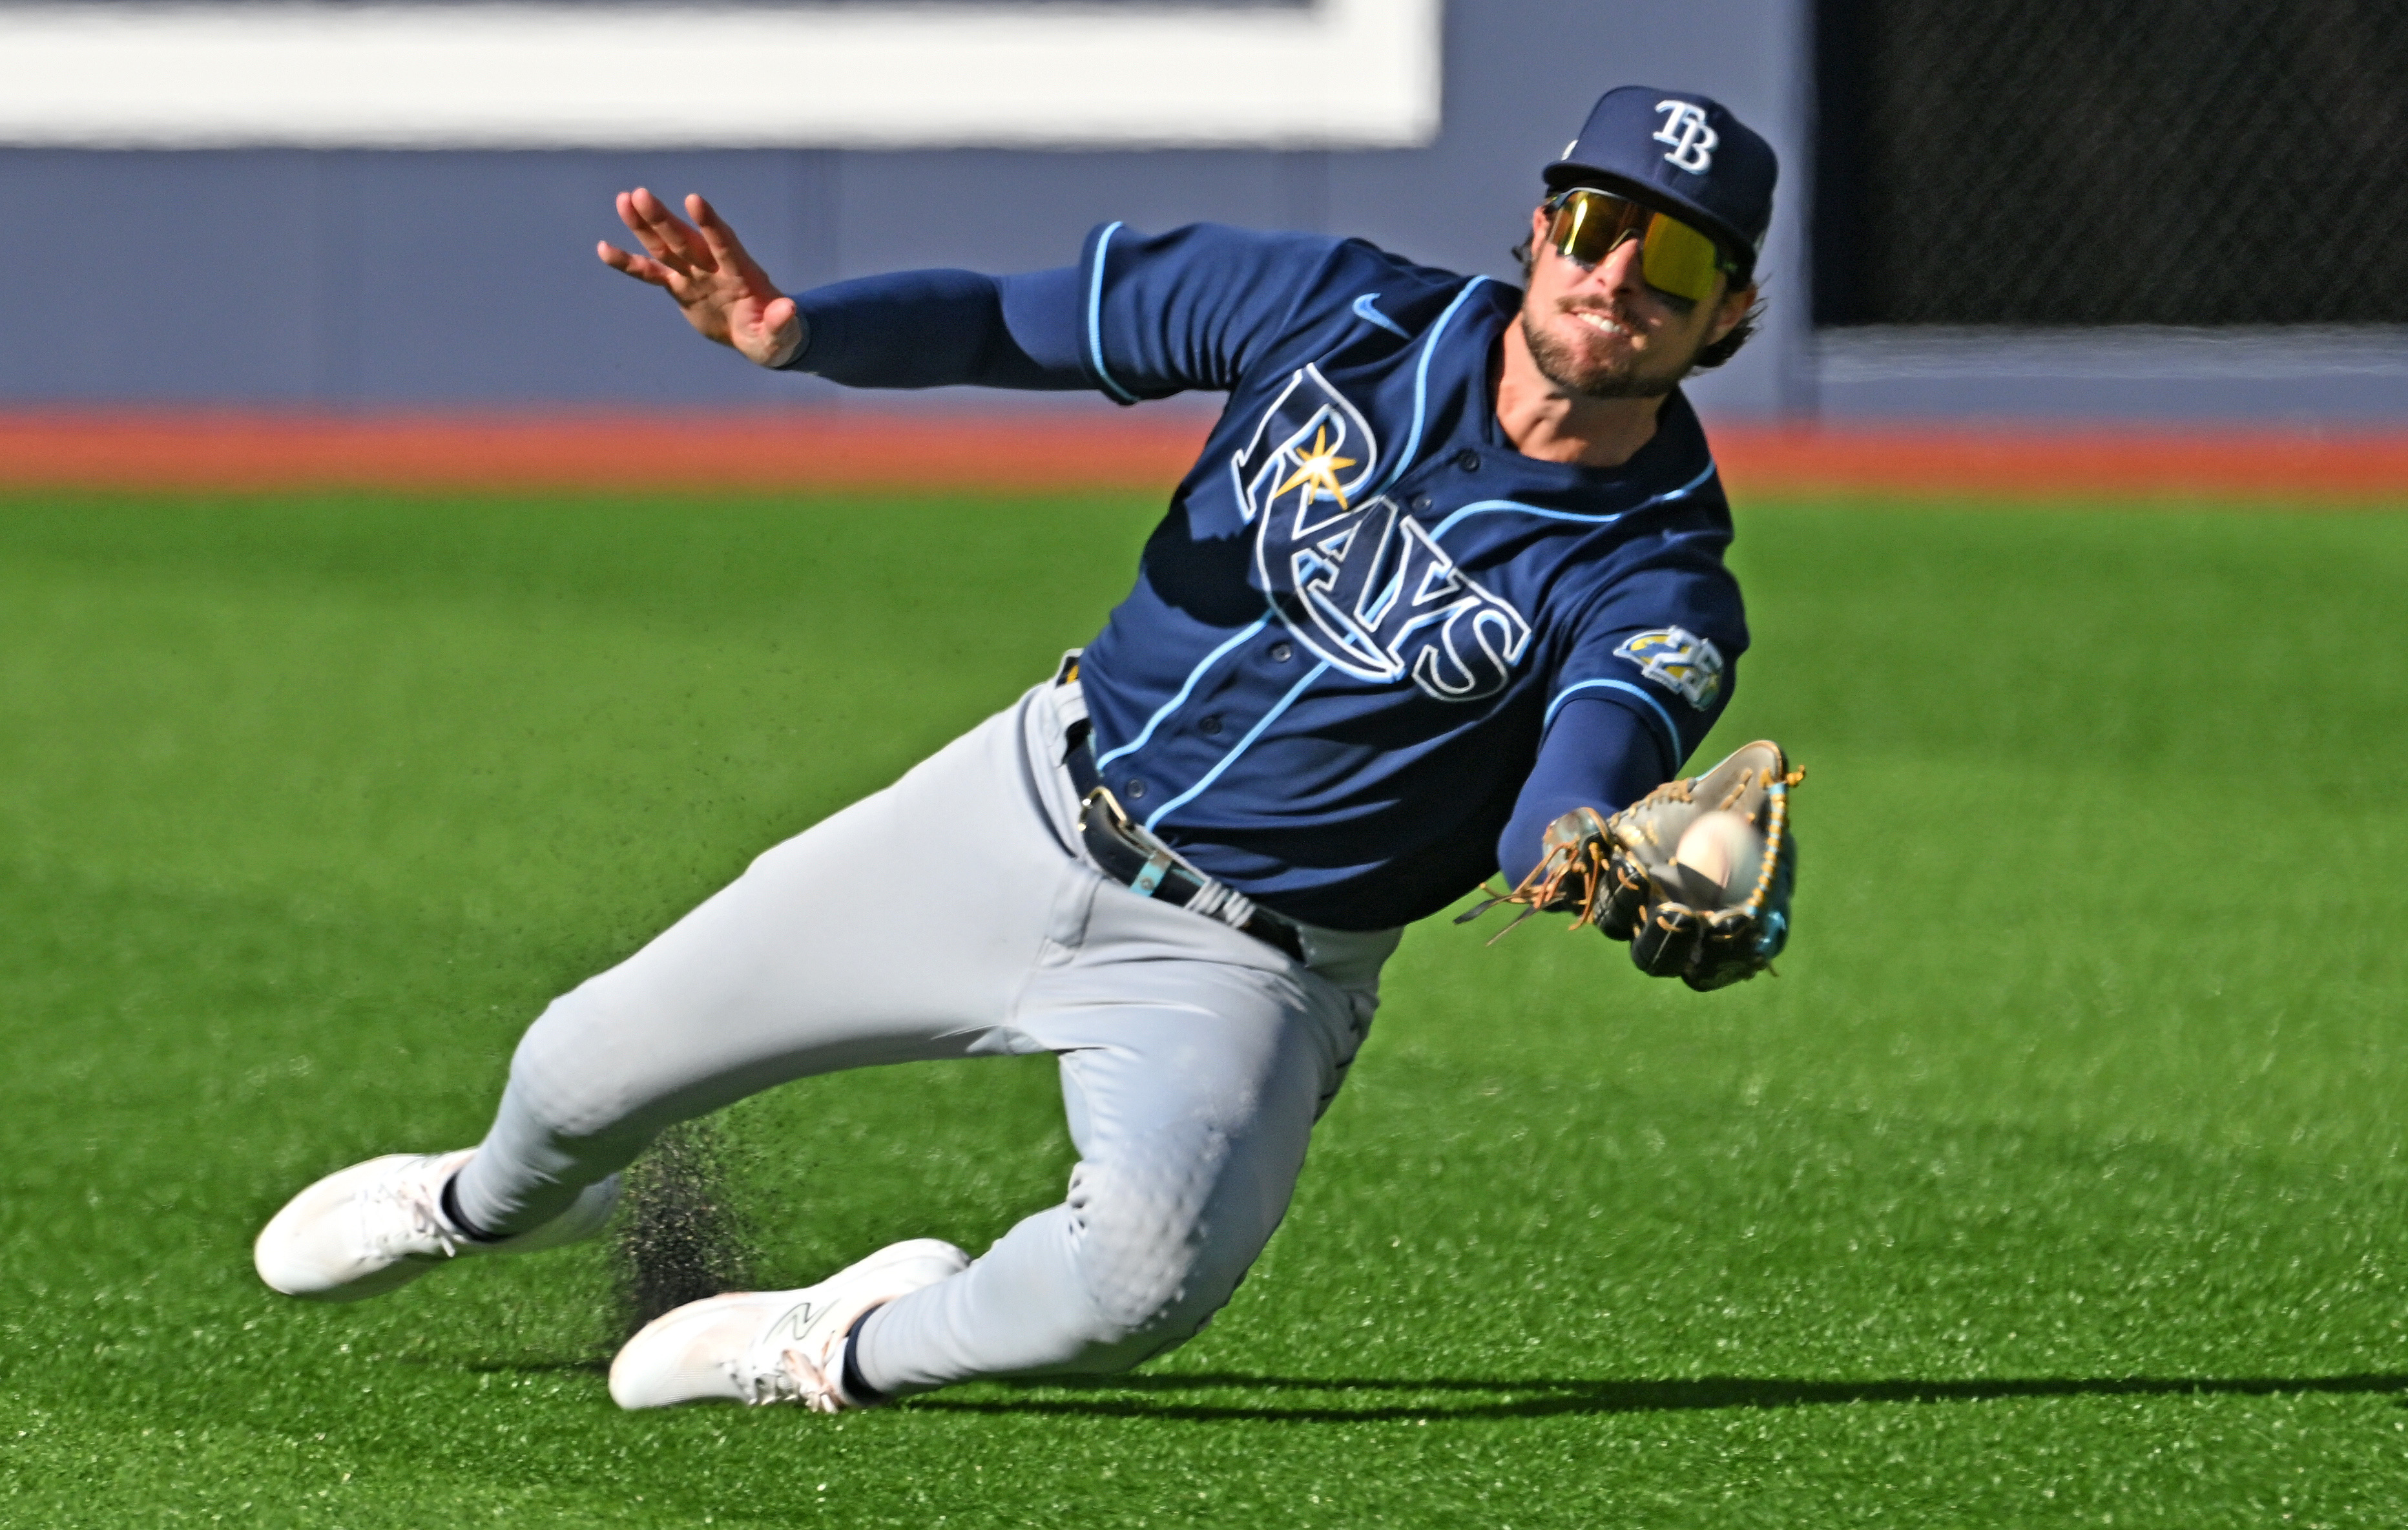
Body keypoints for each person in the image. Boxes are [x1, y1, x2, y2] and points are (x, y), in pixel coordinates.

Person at [253, 85, 1780, 1414]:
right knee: (575, 1066)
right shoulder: (1338, 308)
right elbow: (1014, 316)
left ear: (1730, 314)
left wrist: (1597, 852)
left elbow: (1571, 777)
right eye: (1596, 221)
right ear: (1539, 231)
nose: (1621, 274)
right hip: (1019, 809)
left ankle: (831, 1342)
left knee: (1135, 1290)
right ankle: (479, 1204)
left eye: (1684, 256)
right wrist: (801, 335)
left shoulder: (1659, 574)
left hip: (1246, 969)